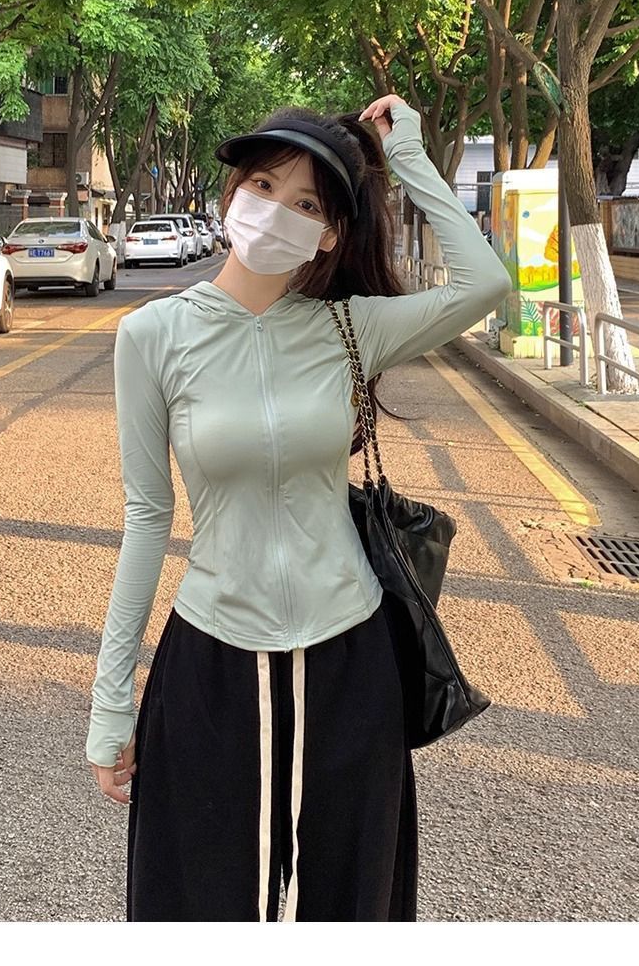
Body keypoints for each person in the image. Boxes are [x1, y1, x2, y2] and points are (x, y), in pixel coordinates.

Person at [86, 94, 512, 921]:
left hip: (351, 657)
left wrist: (408, 156)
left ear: (329, 236)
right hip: (212, 659)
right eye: (263, 185)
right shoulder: (152, 336)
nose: (277, 209)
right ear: (231, 195)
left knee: (347, 903)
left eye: (308, 203)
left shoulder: (350, 328)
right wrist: (111, 703)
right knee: (203, 907)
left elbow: (485, 282)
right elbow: (147, 518)